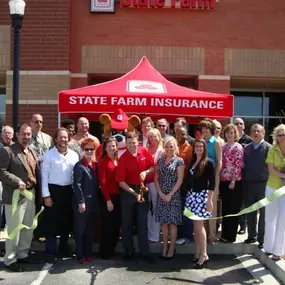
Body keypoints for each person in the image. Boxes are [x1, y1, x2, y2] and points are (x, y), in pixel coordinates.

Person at [0, 124, 40, 272]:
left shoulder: (32, 151)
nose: (26, 137)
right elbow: (1, 172)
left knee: (28, 227)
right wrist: (17, 181)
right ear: (17, 134)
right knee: (14, 230)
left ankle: (23, 254)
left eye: (29, 134)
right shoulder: (7, 151)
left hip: (31, 194)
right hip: (15, 196)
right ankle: (10, 260)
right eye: (23, 134)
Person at [41, 127, 79, 264]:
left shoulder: (74, 155)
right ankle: (50, 250)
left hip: (69, 191)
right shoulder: (48, 155)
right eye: (60, 137)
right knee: (51, 222)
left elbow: (76, 176)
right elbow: (44, 176)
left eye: (65, 137)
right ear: (55, 139)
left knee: (66, 221)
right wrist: (46, 196)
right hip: (53, 191)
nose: (63, 139)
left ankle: (63, 247)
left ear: (68, 139)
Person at [116, 132, 155, 263]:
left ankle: (145, 252)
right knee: (127, 223)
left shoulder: (144, 151)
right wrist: (134, 193)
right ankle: (129, 251)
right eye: (129, 143)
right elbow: (121, 182)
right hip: (128, 191)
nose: (132, 145)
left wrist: (146, 172)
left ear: (138, 142)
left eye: (134, 143)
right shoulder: (123, 158)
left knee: (142, 223)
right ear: (126, 143)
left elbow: (153, 167)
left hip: (142, 189)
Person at [185, 139, 215, 269]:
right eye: (196, 146)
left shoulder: (209, 163)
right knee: (195, 228)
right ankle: (197, 252)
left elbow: (212, 183)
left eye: (201, 146)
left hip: (201, 197)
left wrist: (209, 200)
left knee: (199, 227)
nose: (198, 148)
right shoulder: (192, 161)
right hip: (191, 196)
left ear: (204, 148)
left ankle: (204, 255)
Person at [155, 136, 184, 259]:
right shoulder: (160, 161)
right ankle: (165, 247)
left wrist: (170, 194)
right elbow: (156, 178)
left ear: (175, 147)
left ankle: (172, 248)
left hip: (173, 195)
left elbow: (180, 180)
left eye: (171, 146)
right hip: (161, 194)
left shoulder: (179, 161)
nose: (168, 148)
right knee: (164, 223)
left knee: (172, 223)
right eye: (166, 146)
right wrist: (160, 193)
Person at [243, 124, 270, 248]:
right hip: (249, 184)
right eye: (253, 131)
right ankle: (251, 236)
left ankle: (262, 238)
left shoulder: (269, 148)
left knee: (263, 213)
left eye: (258, 131)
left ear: (263, 133)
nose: (256, 133)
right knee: (250, 212)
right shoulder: (247, 148)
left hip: (263, 185)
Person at [73, 138, 99, 264]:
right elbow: (77, 185)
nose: (89, 151)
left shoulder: (95, 165)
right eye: (86, 149)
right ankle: (80, 254)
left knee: (89, 230)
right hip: (83, 203)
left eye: (91, 149)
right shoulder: (79, 166)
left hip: (93, 203)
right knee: (80, 230)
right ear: (82, 150)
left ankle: (88, 253)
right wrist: (81, 202)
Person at [219, 124, 243, 243]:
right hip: (223, 180)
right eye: (228, 132)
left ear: (235, 134)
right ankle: (224, 234)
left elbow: (238, 165)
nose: (230, 134)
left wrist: (233, 180)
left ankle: (231, 236)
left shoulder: (238, 147)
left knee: (233, 210)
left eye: (232, 132)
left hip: (234, 182)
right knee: (225, 209)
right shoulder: (223, 147)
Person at [264, 124, 285, 260]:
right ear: (275, 137)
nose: (282, 137)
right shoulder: (272, 150)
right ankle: (269, 247)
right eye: (279, 134)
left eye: (284, 134)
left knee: (283, 220)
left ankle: (278, 251)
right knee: (270, 218)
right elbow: (271, 169)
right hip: (272, 187)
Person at [199, 118, 222, 243]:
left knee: (211, 207)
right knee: (203, 206)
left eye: (207, 128)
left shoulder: (216, 142)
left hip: (213, 178)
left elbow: (220, 161)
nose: (205, 130)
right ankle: (204, 234)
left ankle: (212, 235)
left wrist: (215, 176)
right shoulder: (201, 142)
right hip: (202, 178)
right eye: (203, 129)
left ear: (211, 130)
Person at [98, 137, 121, 259]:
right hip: (108, 197)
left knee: (116, 225)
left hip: (118, 196)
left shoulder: (117, 159)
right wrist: (108, 200)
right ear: (105, 148)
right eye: (109, 146)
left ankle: (112, 249)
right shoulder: (103, 161)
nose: (112, 148)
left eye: (113, 146)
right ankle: (105, 252)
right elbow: (102, 182)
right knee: (108, 226)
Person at [234, 117, 253, 235]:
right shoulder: (231, 138)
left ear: (244, 126)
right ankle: (234, 225)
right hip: (233, 177)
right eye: (236, 123)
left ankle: (243, 225)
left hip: (245, 176)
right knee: (235, 202)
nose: (238, 125)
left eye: (240, 123)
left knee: (243, 202)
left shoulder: (249, 140)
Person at [175, 127, 193, 245]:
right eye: (179, 133)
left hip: (185, 184)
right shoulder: (174, 146)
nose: (181, 136)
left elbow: (190, 167)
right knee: (177, 210)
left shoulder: (189, 148)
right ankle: (179, 235)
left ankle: (187, 236)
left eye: (184, 134)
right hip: (174, 184)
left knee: (185, 211)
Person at [145, 128, 163, 243]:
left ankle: (155, 236)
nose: (152, 139)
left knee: (156, 208)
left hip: (156, 183)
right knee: (147, 209)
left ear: (159, 137)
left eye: (154, 136)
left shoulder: (162, 150)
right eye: (150, 137)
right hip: (146, 182)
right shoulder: (146, 149)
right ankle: (148, 234)